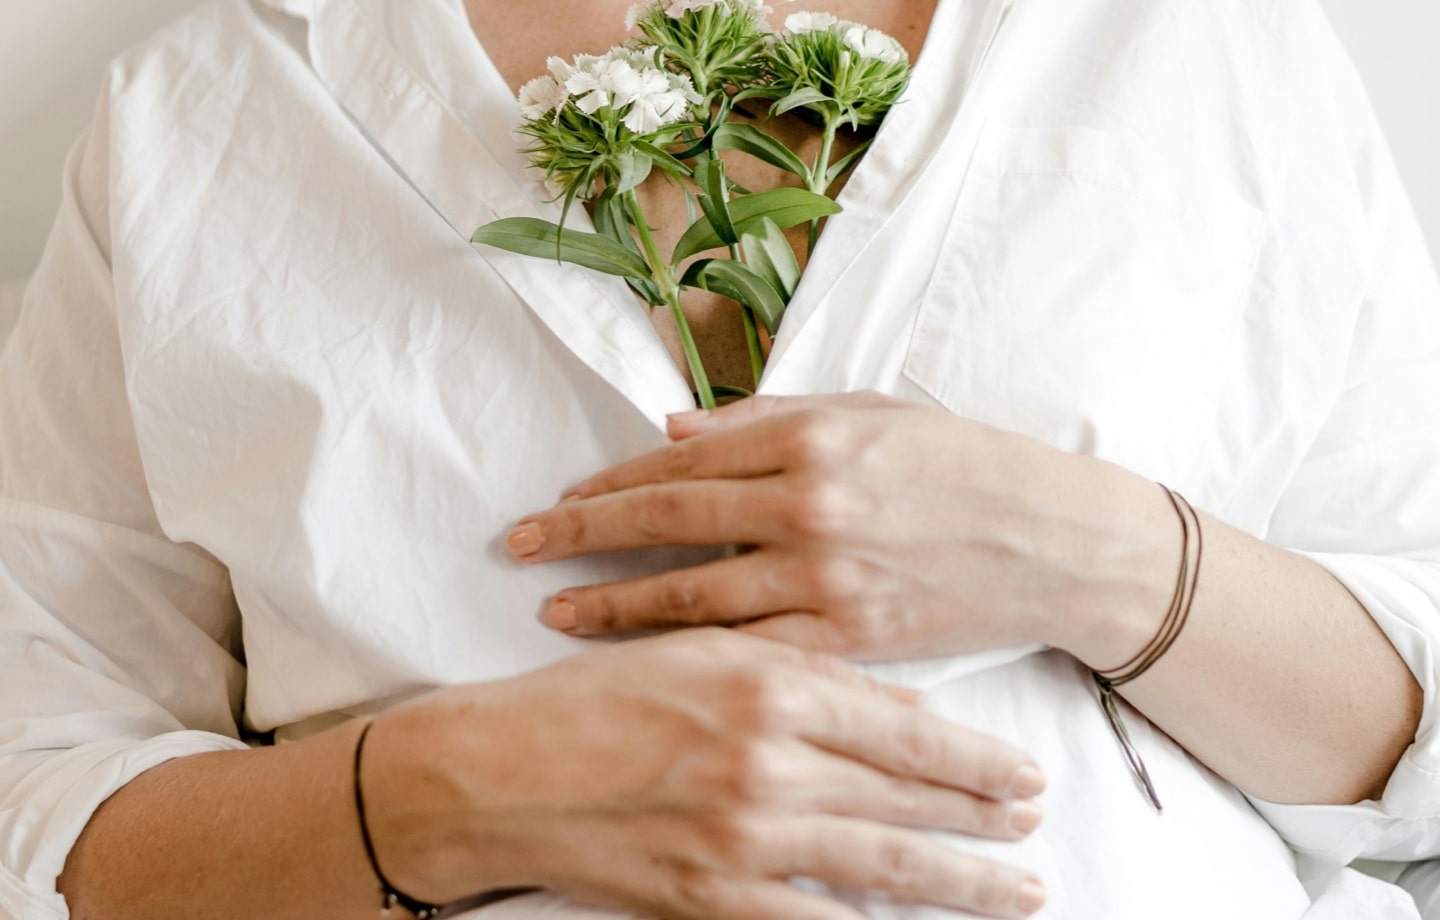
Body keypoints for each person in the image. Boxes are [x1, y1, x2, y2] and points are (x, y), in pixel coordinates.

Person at [1, 0, 1437, 917]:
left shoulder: (1205, 48)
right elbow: (40, 788)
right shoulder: (198, 119)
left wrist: (1105, 558)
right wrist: (438, 795)